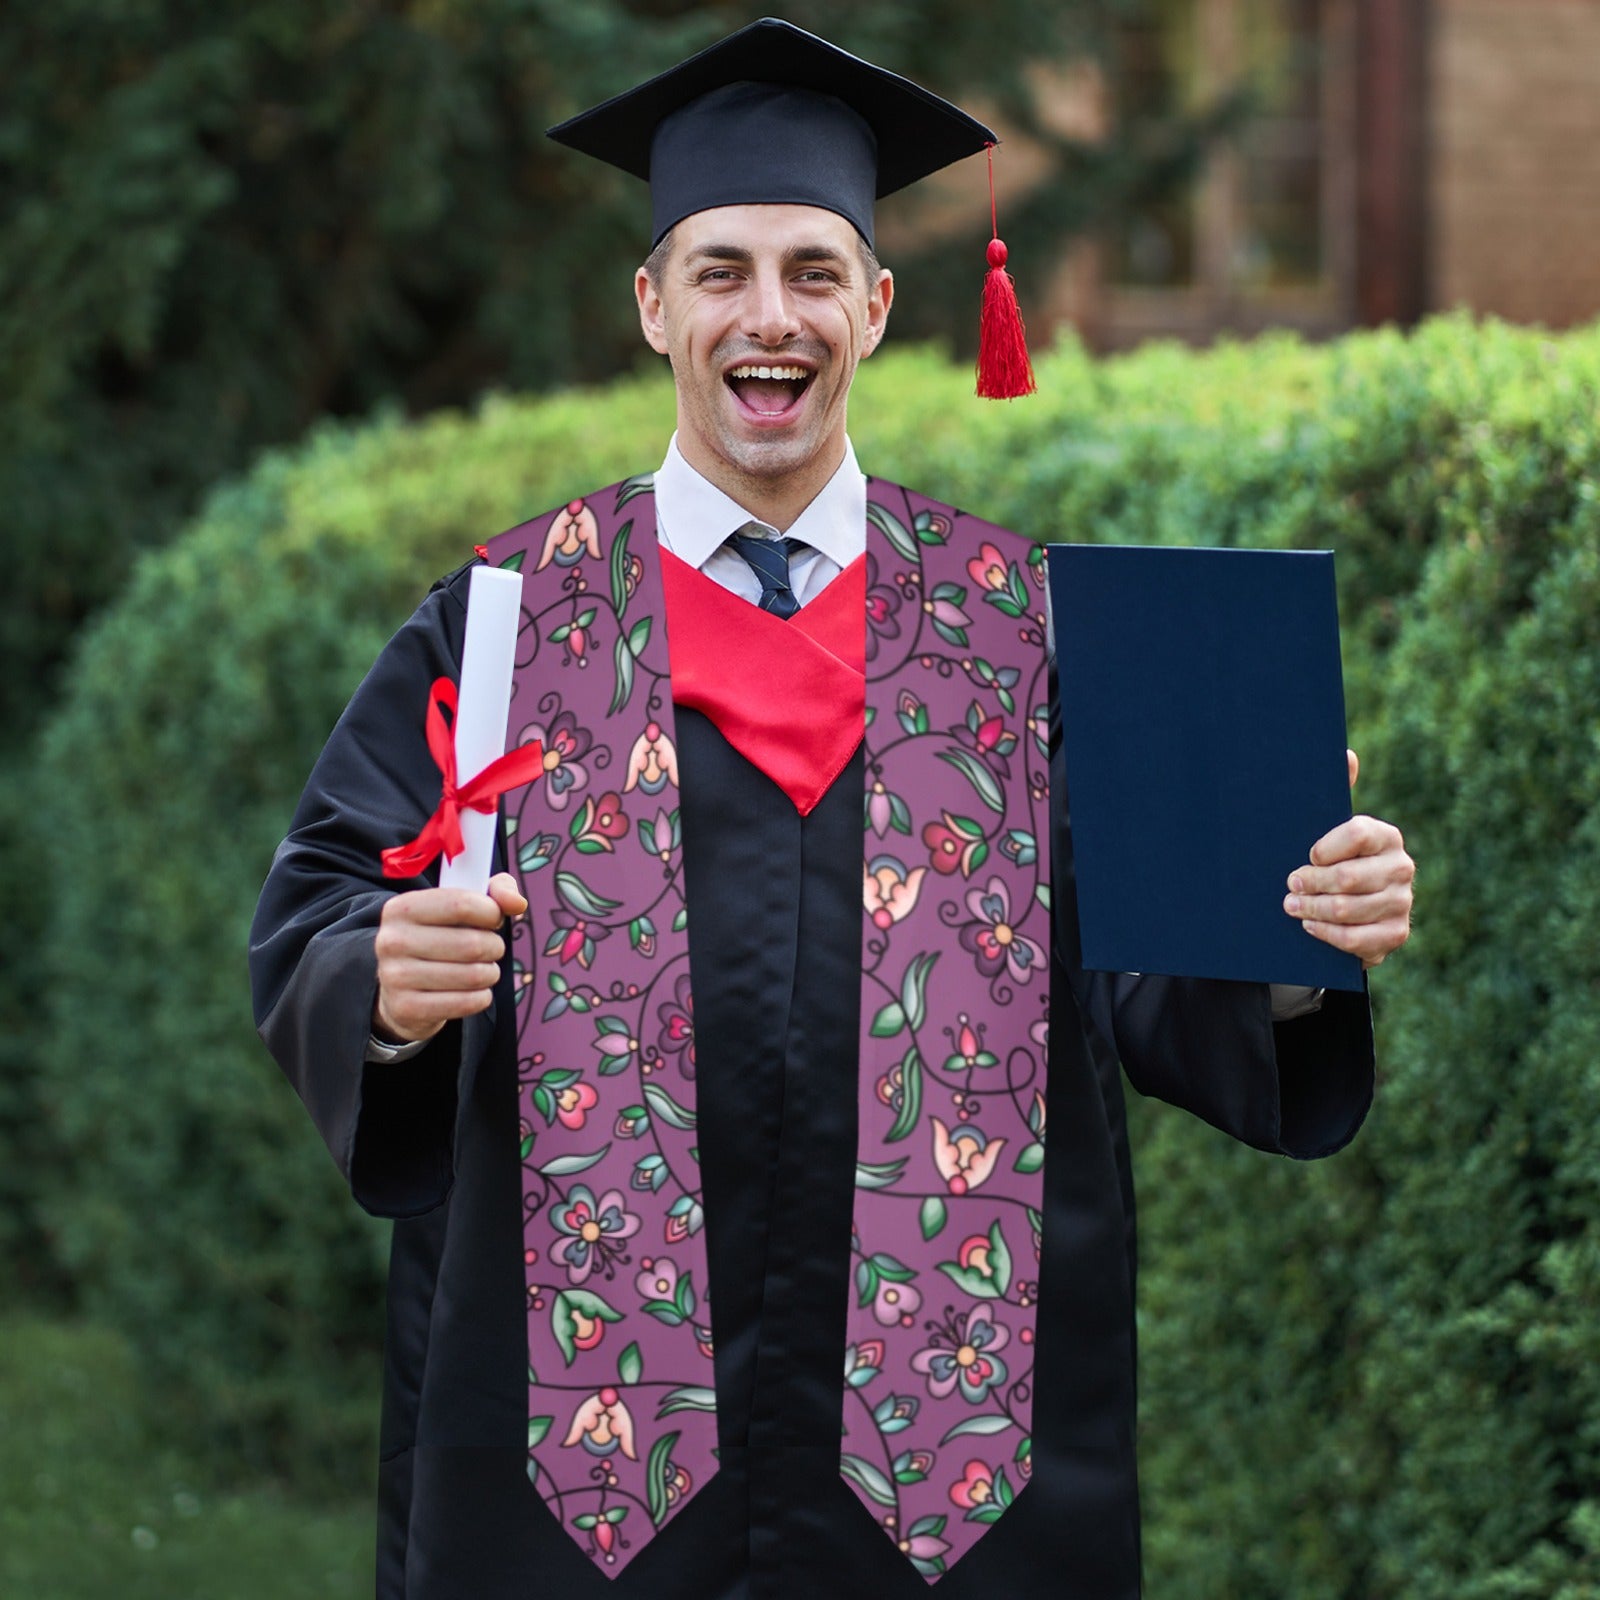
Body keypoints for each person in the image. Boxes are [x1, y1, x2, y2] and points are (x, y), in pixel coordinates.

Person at [249, 19, 1414, 1600]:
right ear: (654, 305)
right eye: (721, 270)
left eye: (812, 270)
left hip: (954, 1469)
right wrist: (380, 983)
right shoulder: (515, 623)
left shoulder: (1026, 631)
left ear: (876, 305)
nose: (768, 316)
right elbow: (324, 901)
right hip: (582, 1468)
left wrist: (1292, 934)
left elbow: (1149, 977)